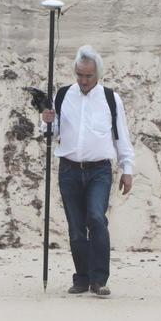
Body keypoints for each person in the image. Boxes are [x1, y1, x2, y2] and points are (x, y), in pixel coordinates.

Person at [41, 45, 134, 297]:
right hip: (69, 170)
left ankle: (99, 279)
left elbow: (121, 135)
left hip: (100, 171)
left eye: (88, 76)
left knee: (96, 217)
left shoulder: (110, 99)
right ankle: (82, 278)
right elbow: (52, 133)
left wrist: (127, 168)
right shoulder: (63, 95)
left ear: (98, 75)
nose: (83, 80)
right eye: (80, 75)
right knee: (76, 227)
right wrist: (46, 121)